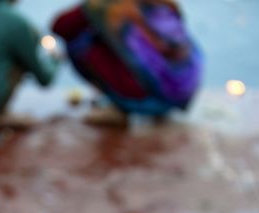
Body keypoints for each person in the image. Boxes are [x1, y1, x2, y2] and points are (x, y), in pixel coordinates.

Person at [52, 0, 202, 125]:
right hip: (182, 93)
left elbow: (59, 26)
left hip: (151, 95)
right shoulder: (164, 6)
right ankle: (149, 107)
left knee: (78, 40)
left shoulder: (109, 5)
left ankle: (121, 106)